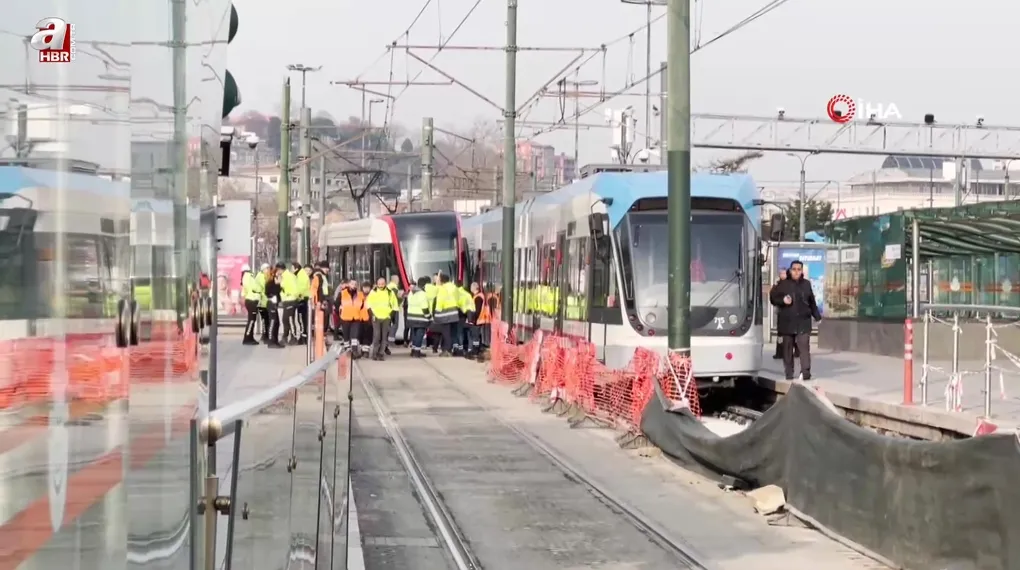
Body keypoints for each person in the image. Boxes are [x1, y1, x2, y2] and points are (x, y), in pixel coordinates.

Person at [769, 260, 821, 380]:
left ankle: (806, 372)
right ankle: (789, 373)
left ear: (802, 271)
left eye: (799, 269)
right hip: (787, 322)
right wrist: (783, 300)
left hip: (803, 321)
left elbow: (812, 302)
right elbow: (773, 299)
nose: (796, 272)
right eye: (794, 269)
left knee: (804, 348)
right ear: (790, 270)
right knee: (787, 350)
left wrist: (817, 316)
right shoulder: (783, 284)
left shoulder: (806, 284)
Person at [366, 277, 399, 361]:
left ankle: (381, 354)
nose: (381, 285)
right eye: (379, 284)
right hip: (376, 317)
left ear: (385, 283)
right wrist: (372, 315)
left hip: (386, 317)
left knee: (384, 337)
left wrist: (390, 315)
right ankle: (374, 353)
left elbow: (395, 305)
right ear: (377, 284)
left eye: (382, 284)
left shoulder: (390, 292)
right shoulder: (373, 292)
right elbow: (368, 305)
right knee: (377, 336)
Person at [771, 269, 799, 360]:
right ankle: (780, 352)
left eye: (784, 273)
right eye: (781, 273)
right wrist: (782, 301)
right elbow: (773, 298)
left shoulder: (792, 284)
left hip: (792, 313)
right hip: (782, 312)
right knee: (781, 333)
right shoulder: (777, 285)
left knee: (792, 332)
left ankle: (797, 350)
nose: (782, 275)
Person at [433, 273, 460, 356]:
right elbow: (458, 298)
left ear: (441, 281)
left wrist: (436, 313)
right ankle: (451, 349)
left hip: (445, 314)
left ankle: (447, 350)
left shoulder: (442, 289)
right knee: (452, 333)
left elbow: (440, 301)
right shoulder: (454, 287)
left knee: (446, 333)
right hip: (454, 312)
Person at [405, 276, 432, 357]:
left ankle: (413, 350)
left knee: (414, 335)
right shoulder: (422, 294)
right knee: (419, 335)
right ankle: (417, 351)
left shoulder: (411, 293)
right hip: (420, 318)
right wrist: (429, 317)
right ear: (424, 285)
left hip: (411, 317)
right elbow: (424, 308)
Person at [240, 264, 262, 345]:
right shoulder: (249, 276)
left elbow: (244, 292)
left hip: (249, 300)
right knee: (251, 320)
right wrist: (260, 289)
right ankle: (247, 338)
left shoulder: (244, 278)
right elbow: (255, 287)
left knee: (251, 320)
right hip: (252, 300)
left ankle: (250, 337)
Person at [264, 266, 285, 349]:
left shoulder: (275, 282)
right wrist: (278, 284)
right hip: (271, 304)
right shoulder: (270, 282)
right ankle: (271, 341)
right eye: (278, 273)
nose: (279, 275)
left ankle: (275, 341)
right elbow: (269, 292)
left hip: (275, 304)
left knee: (277, 323)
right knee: (272, 322)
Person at [279, 263, 299, 345]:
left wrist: (288, 294)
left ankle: (293, 337)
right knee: (285, 319)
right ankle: (285, 337)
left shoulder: (288, 276)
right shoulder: (284, 276)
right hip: (287, 300)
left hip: (290, 300)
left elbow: (294, 289)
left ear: (280, 269)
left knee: (289, 319)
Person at [464, 282, 485, 359]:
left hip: (477, 320)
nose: (470, 289)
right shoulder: (478, 296)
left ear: (474, 288)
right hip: (477, 320)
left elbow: (477, 310)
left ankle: (475, 351)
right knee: (475, 335)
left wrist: (473, 319)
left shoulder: (478, 297)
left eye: (471, 287)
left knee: (475, 336)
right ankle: (475, 349)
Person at [296, 262, 311, 344]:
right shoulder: (304, 277)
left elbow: (301, 289)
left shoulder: (302, 276)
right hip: (303, 299)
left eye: (310, 270)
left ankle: (303, 337)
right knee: (303, 320)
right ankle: (304, 336)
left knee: (302, 319)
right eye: (307, 270)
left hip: (303, 299)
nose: (308, 272)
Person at [385, 276, 401, 355]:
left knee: (388, 324)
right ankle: (391, 341)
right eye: (398, 279)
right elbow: (395, 299)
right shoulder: (394, 288)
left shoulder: (388, 286)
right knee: (395, 324)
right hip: (394, 308)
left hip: (388, 308)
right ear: (395, 280)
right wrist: (401, 297)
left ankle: (387, 341)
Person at [358, 281, 374, 352]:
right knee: (360, 334)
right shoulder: (358, 295)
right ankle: (362, 348)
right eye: (365, 287)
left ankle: (366, 350)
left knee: (368, 335)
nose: (366, 289)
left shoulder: (373, 296)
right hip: (360, 318)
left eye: (368, 288)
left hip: (369, 319)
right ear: (362, 288)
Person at [256, 263, 271, 342]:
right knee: (265, 320)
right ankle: (265, 336)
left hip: (265, 301)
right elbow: (265, 287)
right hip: (263, 302)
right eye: (267, 268)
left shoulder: (263, 276)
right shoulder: (261, 276)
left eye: (268, 268)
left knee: (266, 320)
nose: (268, 270)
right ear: (263, 269)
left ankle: (265, 335)